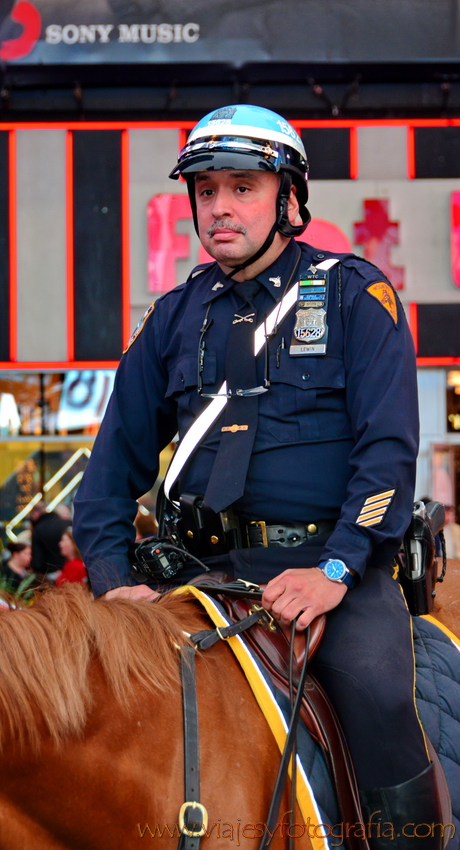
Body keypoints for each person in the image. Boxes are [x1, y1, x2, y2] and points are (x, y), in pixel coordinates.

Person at [73, 104, 442, 848]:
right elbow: (110, 468)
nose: (219, 207)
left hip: (332, 576)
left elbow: (387, 454)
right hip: (198, 573)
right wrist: (112, 580)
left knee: (376, 700)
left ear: (287, 198)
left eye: (241, 187)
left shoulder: (353, 296)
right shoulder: (173, 318)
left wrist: (335, 568)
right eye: (206, 191)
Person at [30, 501, 69, 576]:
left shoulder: (38, 529)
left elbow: (37, 561)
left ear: (35, 513)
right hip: (70, 570)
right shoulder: (66, 524)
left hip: (49, 574)